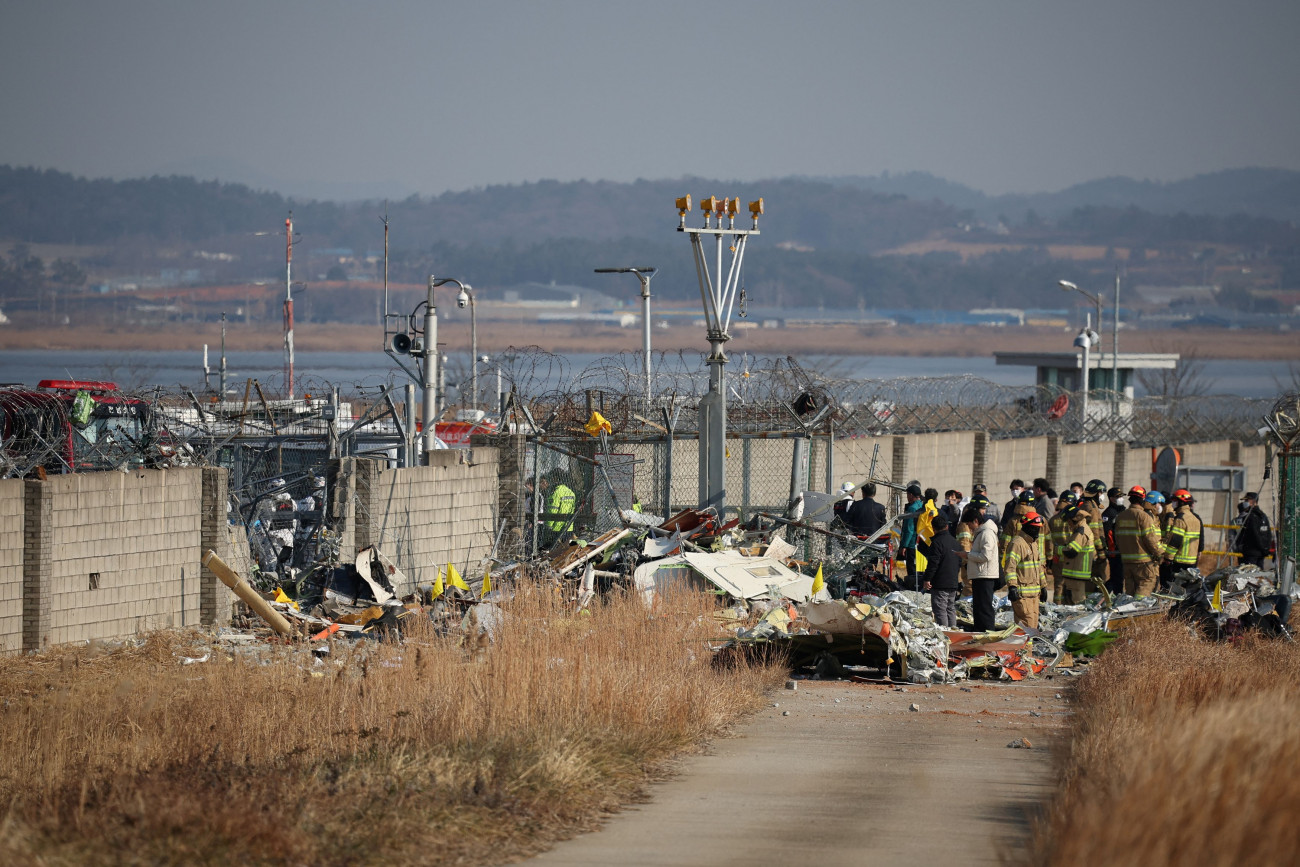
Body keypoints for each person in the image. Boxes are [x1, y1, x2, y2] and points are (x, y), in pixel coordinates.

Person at [1115, 486, 1163, 598]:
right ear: (1142, 499)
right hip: (1143, 561)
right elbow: (1150, 539)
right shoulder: (1144, 516)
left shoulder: (1121, 516)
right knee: (1146, 584)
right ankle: (1139, 609)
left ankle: (1128, 611)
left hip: (1127, 560)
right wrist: (1160, 553)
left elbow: (1118, 538)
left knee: (1130, 590)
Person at [960, 503, 1000, 631]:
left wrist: (968, 555)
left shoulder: (987, 533)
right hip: (980, 575)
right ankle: (980, 630)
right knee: (978, 606)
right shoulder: (981, 533)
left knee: (985, 607)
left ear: (976, 521)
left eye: (969, 524)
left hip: (985, 576)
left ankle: (987, 631)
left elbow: (985, 556)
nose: (969, 528)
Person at [1004, 511, 1047, 629]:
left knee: (1032, 627)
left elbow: (1039, 568)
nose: (1037, 531)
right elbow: (1010, 568)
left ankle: (1027, 648)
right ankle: (1024, 648)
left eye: (1038, 528)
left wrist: (1043, 586)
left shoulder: (1033, 544)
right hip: (1022, 596)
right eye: (1035, 528)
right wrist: (1012, 587)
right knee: (1026, 629)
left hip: (1034, 595)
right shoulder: (1017, 544)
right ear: (1026, 527)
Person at [920, 514, 961, 627]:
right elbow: (959, 562)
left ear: (933, 529)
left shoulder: (937, 543)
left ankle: (945, 635)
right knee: (950, 608)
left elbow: (933, 563)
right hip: (953, 581)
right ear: (947, 526)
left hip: (940, 582)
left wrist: (927, 579)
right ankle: (953, 632)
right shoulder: (955, 543)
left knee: (940, 610)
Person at [1058, 505, 1096, 604]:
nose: (1068, 523)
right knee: (1070, 601)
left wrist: (1057, 549)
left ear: (1074, 519)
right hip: (1074, 573)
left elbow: (1071, 551)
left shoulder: (1081, 531)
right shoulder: (1079, 529)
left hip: (1077, 573)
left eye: (1068, 520)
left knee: (1078, 603)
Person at [1162, 489, 1203, 577]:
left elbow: (1175, 540)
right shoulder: (1195, 519)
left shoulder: (1180, 519)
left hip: (1179, 561)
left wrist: (1168, 558)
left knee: (1175, 588)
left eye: (1174, 501)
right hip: (1192, 561)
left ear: (1181, 502)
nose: (1172, 503)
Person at [1045, 492, 1075, 603]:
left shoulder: (1053, 520)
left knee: (1059, 585)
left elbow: (1049, 540)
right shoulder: (1073, 519)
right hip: (1071, 557)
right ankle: (1069, 607)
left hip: (1057, 558)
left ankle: (1057, 607)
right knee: (1070, 585)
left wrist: (1050, 558)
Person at [1080, 479, 1108, 590]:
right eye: (1101, 493)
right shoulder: (1092, 509)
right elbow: (1095, 532)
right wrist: (1101, 550)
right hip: (1093, 550)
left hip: (1088, 548)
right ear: (1096, 493)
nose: (1102, 496)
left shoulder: (1087, 505)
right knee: (1097, 578)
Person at [538, 472, 577, 551]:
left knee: (553, 551)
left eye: (551, 479)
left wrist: (548, 526)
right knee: (565, 550)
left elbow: (552, 511)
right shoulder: (571, 492)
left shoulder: (556, 492)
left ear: (555, 479)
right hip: (568, 527)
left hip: (556, 528)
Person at [1234, 492, 1274, 567]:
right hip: (1261, 552)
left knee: (1249, 576)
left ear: (1252, 501)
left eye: (1247, 501)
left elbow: (1255, 534)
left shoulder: (1251, 516)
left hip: (1250, 552)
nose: (1245, 503)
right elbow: (1268, 534)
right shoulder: (1263, 516)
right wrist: (1265, 549)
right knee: (1259, 574)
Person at [1101, 487, 1126, 594]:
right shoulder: (1108, 513)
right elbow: (1108, 533)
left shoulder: (1123, 510)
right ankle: (1105, 594)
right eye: (1118, 497)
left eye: (1121, 496)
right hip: (1115, 552)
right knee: (1117, 577)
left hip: (1124, 550)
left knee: (1121, 576)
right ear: (1111, 499)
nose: (1121, 499)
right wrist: (1112, 551)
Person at [899, 483, 924, 585]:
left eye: (908, 495)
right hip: (921, 542)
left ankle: (913, 587)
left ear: (911, 495)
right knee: (919, 569)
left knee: (912, 569)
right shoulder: (922, 505)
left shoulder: (912, 508)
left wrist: (904, 545)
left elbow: (909, 529)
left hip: (911, 543)